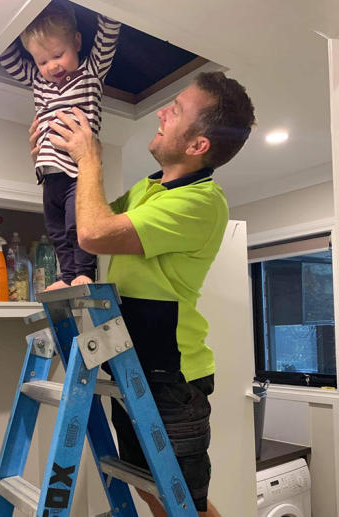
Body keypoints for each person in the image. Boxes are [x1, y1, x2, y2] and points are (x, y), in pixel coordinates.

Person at [44, 71, 256, 517]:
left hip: (170, 375)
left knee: (183, 502)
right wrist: (55, 169)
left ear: (198, 145)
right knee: (151, 489)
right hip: (130, 363)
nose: (162, 111)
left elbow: (94, 232)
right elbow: (87, 211)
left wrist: (89, 158)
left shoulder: (202, 201)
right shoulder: (148, 189)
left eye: (175, 110)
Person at [0, 1, 120, 290]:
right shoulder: (38, 81)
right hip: (47, 173)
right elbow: (8, 58)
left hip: (78, 170)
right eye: (41, 61)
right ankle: (66, 275)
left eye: (58, 55)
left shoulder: (91, 72)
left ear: (77, 42)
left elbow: (109, 33)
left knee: (77, 224)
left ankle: (84, 272)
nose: (51, 66)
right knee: (55, 229)